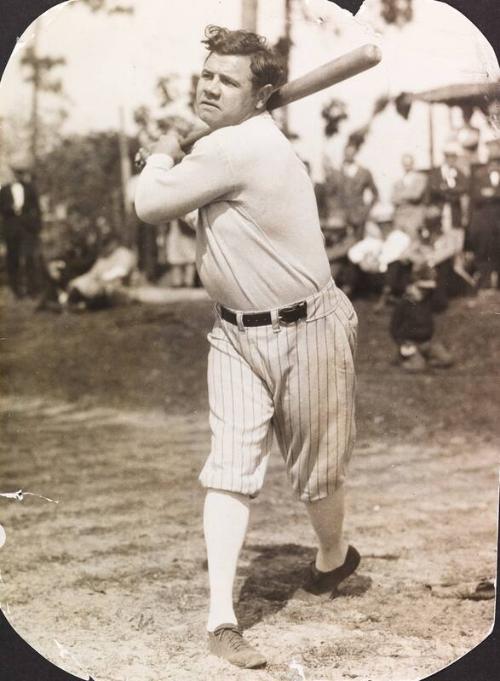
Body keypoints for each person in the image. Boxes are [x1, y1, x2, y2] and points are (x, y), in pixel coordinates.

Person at [135, 25, 359, 670]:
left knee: (317, 476)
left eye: (228, 81)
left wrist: (159, 153)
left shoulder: (241, 148)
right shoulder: (230, 145)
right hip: (234, 332)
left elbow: (150, 205)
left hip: (311, 327)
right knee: (228, 469)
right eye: (207, 74)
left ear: (261, 97)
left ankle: (330, 558)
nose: (209, 85)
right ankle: (221, 617)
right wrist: (178, 155)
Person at [0, 161, 42, 298]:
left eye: (20, 173)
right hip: (11, 228)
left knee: (30, 258)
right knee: (13, 260)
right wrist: (10, 209)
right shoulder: (4, 190)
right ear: (12, 174)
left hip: (27, 229)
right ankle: (17, 291)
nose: (18, 176)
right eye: (16, 173)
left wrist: (37, 226)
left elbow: (37, 209)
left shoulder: (30, 188)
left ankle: (33, 290)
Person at [327, 143, 379, 242]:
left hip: (359, 215)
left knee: (358, 242)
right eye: (347, 153)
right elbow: (330, 194)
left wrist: (367, 209)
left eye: (351, 153)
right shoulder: (336, 172)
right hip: (341, 216)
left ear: (355, 154)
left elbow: (375, 194)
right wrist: (335, 208)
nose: (349, 156)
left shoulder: (364, 172)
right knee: (340, 242)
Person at [468, 138, 500, 290]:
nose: (494, 164)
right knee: (484, 249)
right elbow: (475, 196)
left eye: (497, 161)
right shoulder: (479, 174)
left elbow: (487, 194)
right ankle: (486, 281)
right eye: (491, 161)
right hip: (485, 219)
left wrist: (491, 193)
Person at [392, 153, 428, 240]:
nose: (407, 166)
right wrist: (407, 195)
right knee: (399, 242)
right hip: (400, 216)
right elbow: (393, 198)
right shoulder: (399, 181)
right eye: (405, 164)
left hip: (414, 215)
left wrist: (401, 195)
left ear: (413, 164)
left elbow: (416, 195)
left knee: (413, 242)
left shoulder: (421, 178)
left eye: (409, 163)